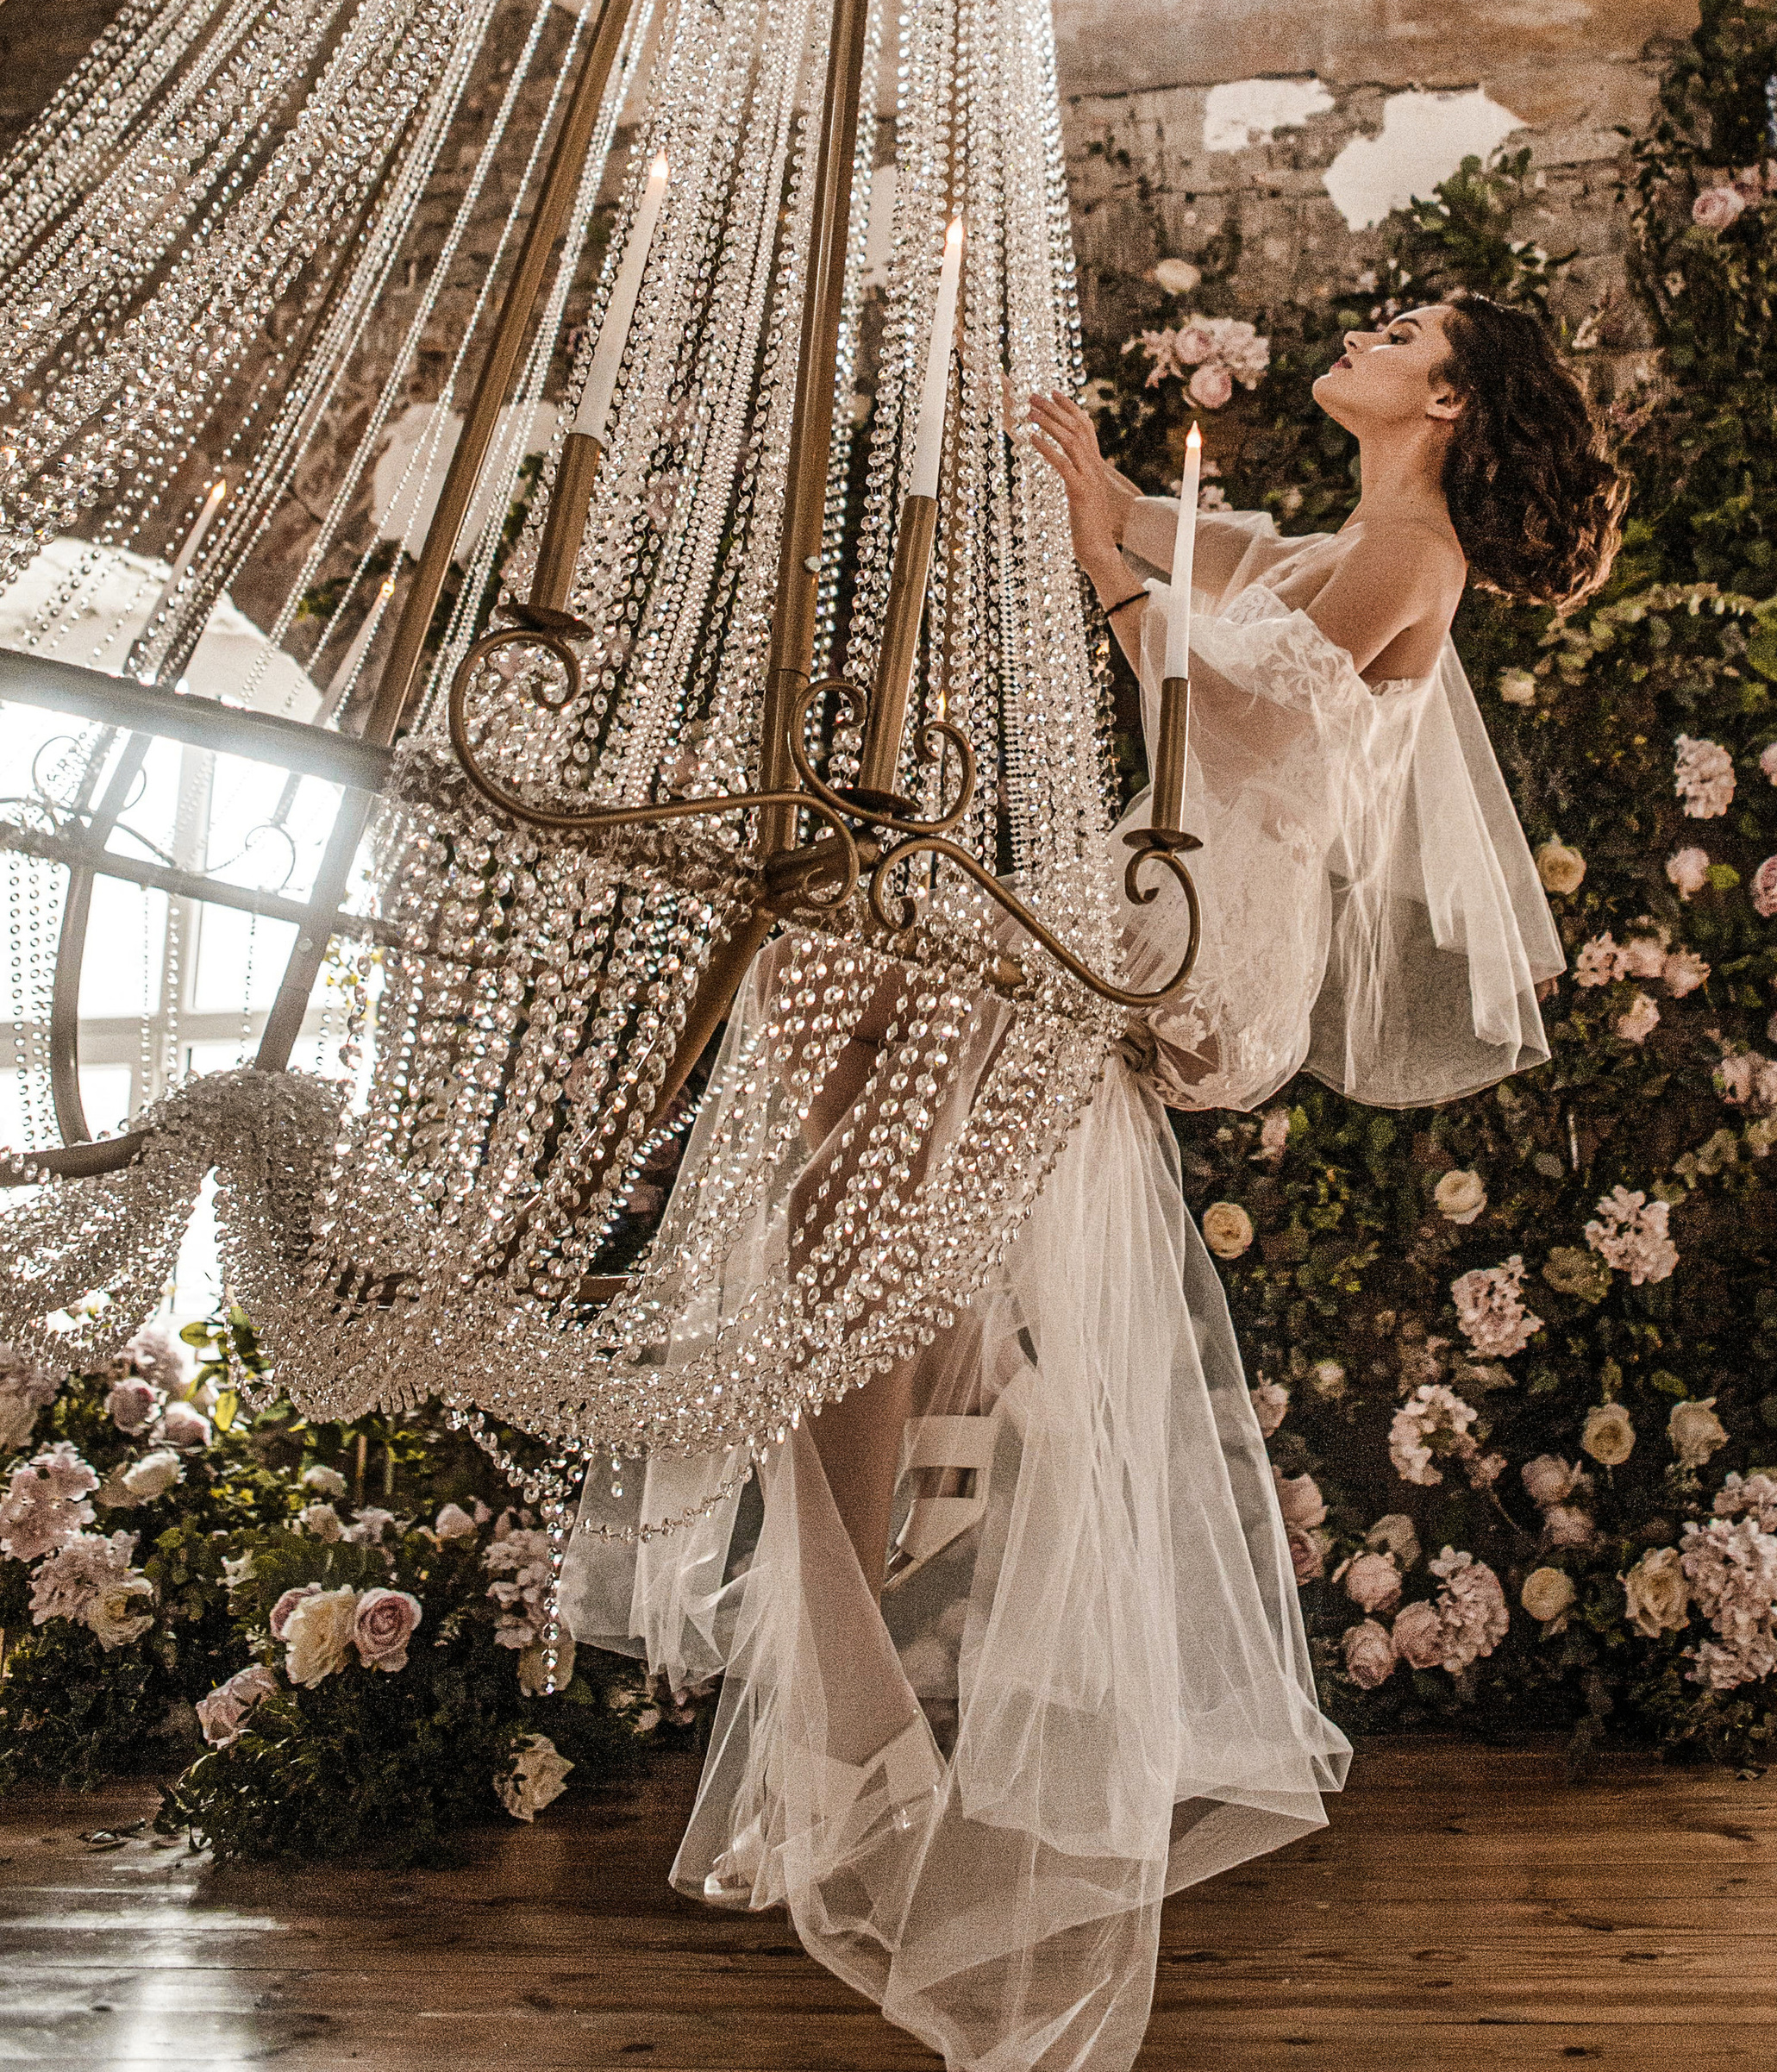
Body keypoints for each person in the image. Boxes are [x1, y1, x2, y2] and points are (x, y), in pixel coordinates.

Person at [565, 291, 1624, 2072]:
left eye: (1401, 327)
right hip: (1140, 910)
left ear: (1443, 399)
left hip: (1201, 952)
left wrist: (1108, 567)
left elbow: (1217, 692)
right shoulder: (1327, 538)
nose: (1363, 328)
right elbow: (1152, 515)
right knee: (844, 1121)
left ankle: (888, 1561)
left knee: (844, 998)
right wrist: (1063, 452)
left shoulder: (1409, 556)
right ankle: (875, 1572)